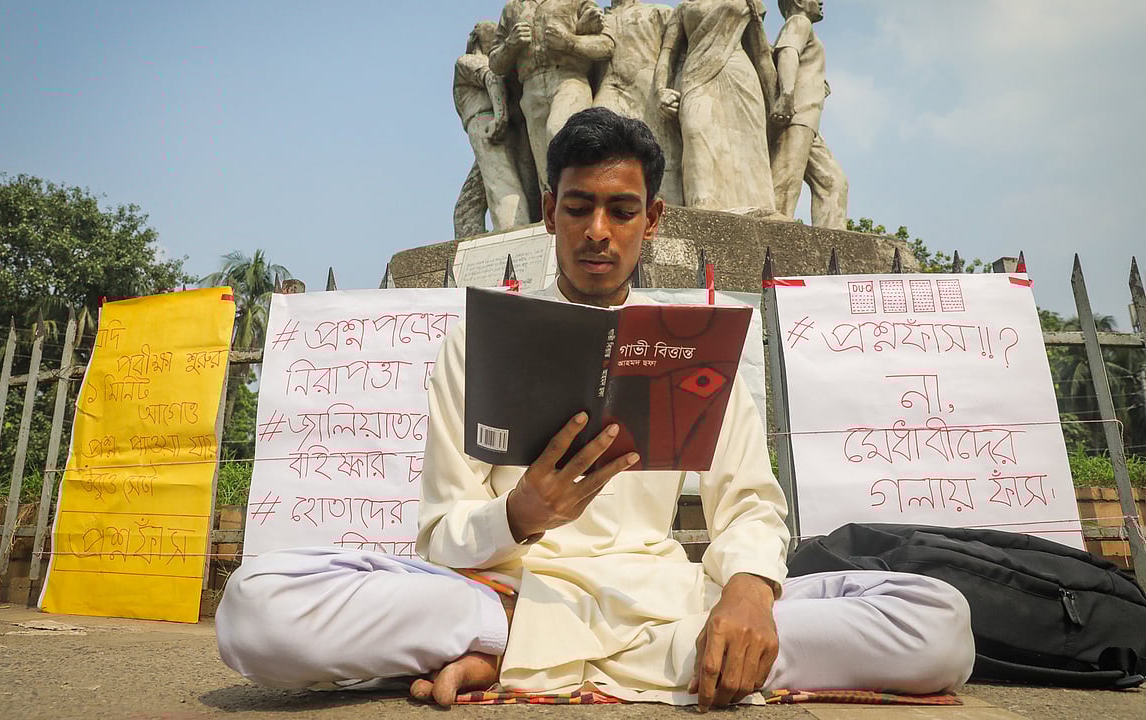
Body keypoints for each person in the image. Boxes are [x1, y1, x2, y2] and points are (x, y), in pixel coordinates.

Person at [215, 108, 975, 709]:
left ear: (656, 218)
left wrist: (748, 594)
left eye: (621, 209)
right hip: (506, 598)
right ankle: (539, 647)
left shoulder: (693, 346)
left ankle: (523, 664)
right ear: (549, 212)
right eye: (579, 208)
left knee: (936, 622)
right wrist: (518, 515)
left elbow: (748, 503)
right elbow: (441, 536)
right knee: (257, 609)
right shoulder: (477, 344)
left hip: (666, 607)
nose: (598, 232)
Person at [654, 0, 776, 212]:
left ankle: (757, 208)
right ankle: (705, 210)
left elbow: (762, 54)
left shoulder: (745, 0)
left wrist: (776, 100)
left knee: (748, 144)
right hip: (697, 78)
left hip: (739, 74)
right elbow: (667, 53)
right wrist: (659, 90)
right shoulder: (686, 7)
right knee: (697, 133)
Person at [488, 0, 613, 193]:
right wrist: (511, 44)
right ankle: (557, 224)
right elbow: (495, 64)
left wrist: (569, 41)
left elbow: (605, 45)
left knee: (560, 134)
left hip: (569, 80)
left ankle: (584, 201)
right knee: (546, 167)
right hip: (531, 88)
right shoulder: (513, 7)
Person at [592, 0, 683, 205]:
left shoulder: (657, 12)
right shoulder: (596, 20)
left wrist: (671, 89)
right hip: (610, 87)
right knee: (598, 139)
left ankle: (671, 210)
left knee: (662, 151)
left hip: (649, 86)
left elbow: (680, 52)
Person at [769, 0, 850, 229]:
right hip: (796, 113)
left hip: (809, 119)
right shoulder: (798, 22)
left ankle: (834, 247)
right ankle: (774, 235)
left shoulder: (804, 28)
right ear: (798, 2)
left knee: (834, 181)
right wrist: (787, 94)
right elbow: (787, 53)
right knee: (785, 180)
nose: (820, 1)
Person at [453, 21, 531, 230]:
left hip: (487, 124)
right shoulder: (479, 61)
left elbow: (492, 78)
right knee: (466, 206)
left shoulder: (469, 61)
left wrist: (500, 117)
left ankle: (513, 235)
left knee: (502, 186)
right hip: (497, 125)